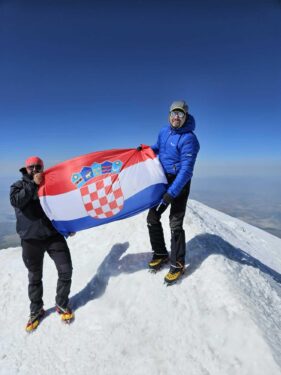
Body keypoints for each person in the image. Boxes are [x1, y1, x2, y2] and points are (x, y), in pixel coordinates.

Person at [10, 156, 74, 331]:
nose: (35, 169)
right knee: (35, 277)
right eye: (32, 167)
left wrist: (69, 225)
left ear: (43, 167)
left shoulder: (51, 185)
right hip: (30, 240)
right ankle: (36, 310)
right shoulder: (18, 186)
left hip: (53, 236)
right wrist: (33, 185)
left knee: (66, 270)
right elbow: (17, 201)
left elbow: (62, 206)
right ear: (26, 168)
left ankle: (61, 303)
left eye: (38, 166)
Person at [145, 100, 200, 284]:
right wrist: (142, 151)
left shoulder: (190, 139)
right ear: (169, 115)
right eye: (174, 113)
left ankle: (178, 263)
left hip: (180, 183)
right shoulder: (164, 131)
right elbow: (156, 148)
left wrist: (171, 193)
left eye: (180, 114)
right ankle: (160, 253)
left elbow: (186, 171)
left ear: (186, 116)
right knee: (152, 217)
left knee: (175, 222)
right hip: (163, 179)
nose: (176, 117)